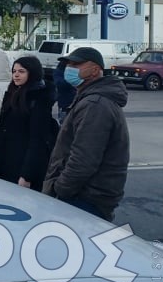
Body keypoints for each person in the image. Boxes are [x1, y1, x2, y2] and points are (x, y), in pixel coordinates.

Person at [43, 47, 130, 221]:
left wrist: (61, 189)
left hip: (85, 199)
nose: (70, 69)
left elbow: (83, 159)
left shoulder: (95, 104)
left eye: (76, 64)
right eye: (69, 64)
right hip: (82, 196)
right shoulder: (88, 99)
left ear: (95, 70)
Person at [0, 56, 54, 191]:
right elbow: (3, 128)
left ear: (32, 72)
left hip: (23, 161)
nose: (16, 75)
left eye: (21, 71)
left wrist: (27, 175)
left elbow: (37, 140)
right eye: (14, 71)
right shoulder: (12, 92)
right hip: (7, 158)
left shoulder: (39, 98)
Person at [53, 59, 76, 124]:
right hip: (65, 104)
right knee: (64, 124)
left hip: (74, 103)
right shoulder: (59, 72)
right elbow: (60, 84)